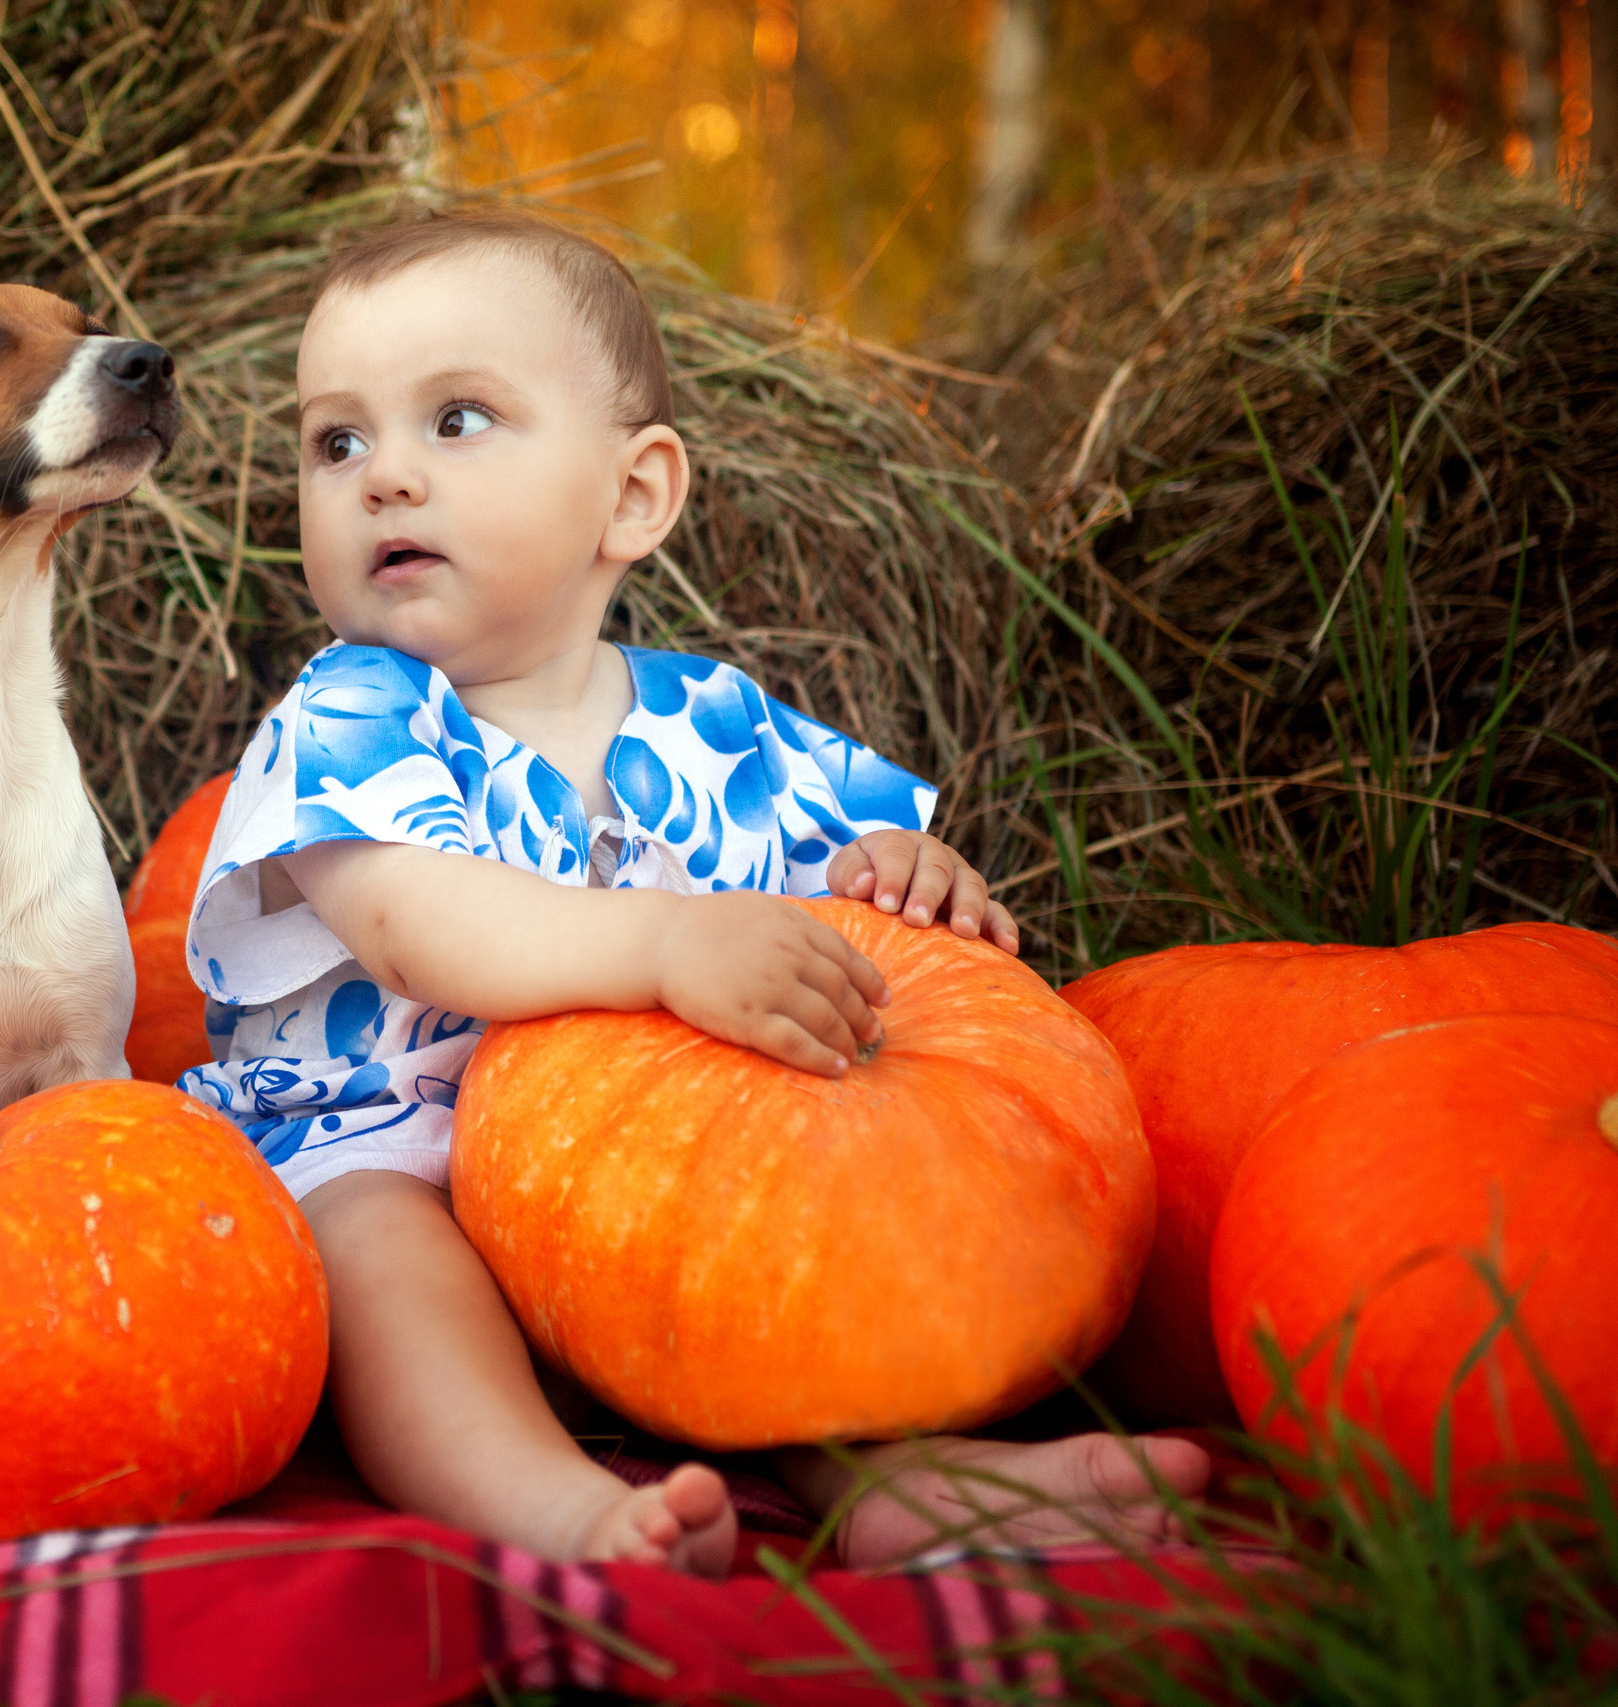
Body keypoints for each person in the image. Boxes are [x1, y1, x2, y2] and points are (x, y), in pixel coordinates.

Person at [178, 212, 1209, 1577]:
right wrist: (667, 940)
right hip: (396, 1151)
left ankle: (896, 1478)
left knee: (798, 1247)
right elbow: (422, 926)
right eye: (338, 442)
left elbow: (847, 899)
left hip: (657, 1187)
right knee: (373, 1255)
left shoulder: (717, 723)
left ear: (634, 497)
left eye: (460, 419)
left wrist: (910, 880)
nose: (386, 480)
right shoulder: (351, 713)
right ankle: (547, 1505)